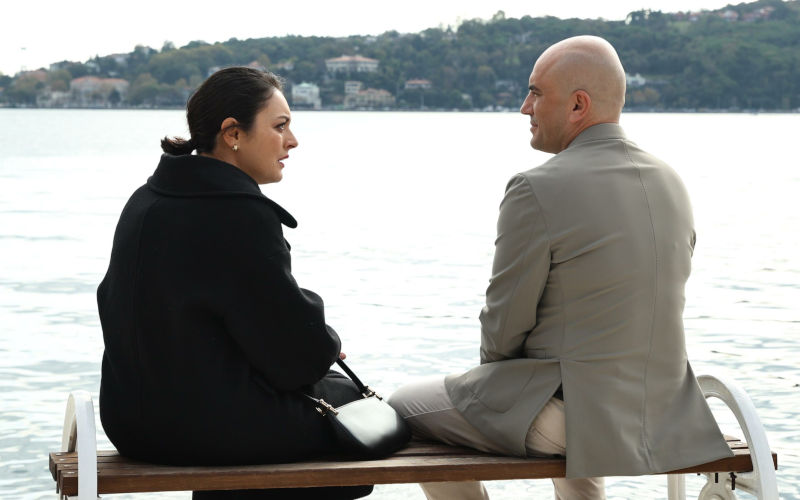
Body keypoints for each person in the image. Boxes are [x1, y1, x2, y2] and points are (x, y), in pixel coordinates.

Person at [388, 35, 733, 499]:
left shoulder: (536, 188)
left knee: (402, 409)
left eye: (535, 93)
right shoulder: (671, 182)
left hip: (576, 414)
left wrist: (493, 390)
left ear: (577, 105)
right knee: (573, 393)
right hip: (662, 412)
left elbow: (504, 325)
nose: (524, 107)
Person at [97, 67, 372, 500]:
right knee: (358, 410)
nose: (292, 141)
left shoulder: (145, 201)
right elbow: (297, 360)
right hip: (203, 430)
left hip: (129, 423)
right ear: (233, 133)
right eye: (279, 126)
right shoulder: (239, 214)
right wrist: (326, 340)